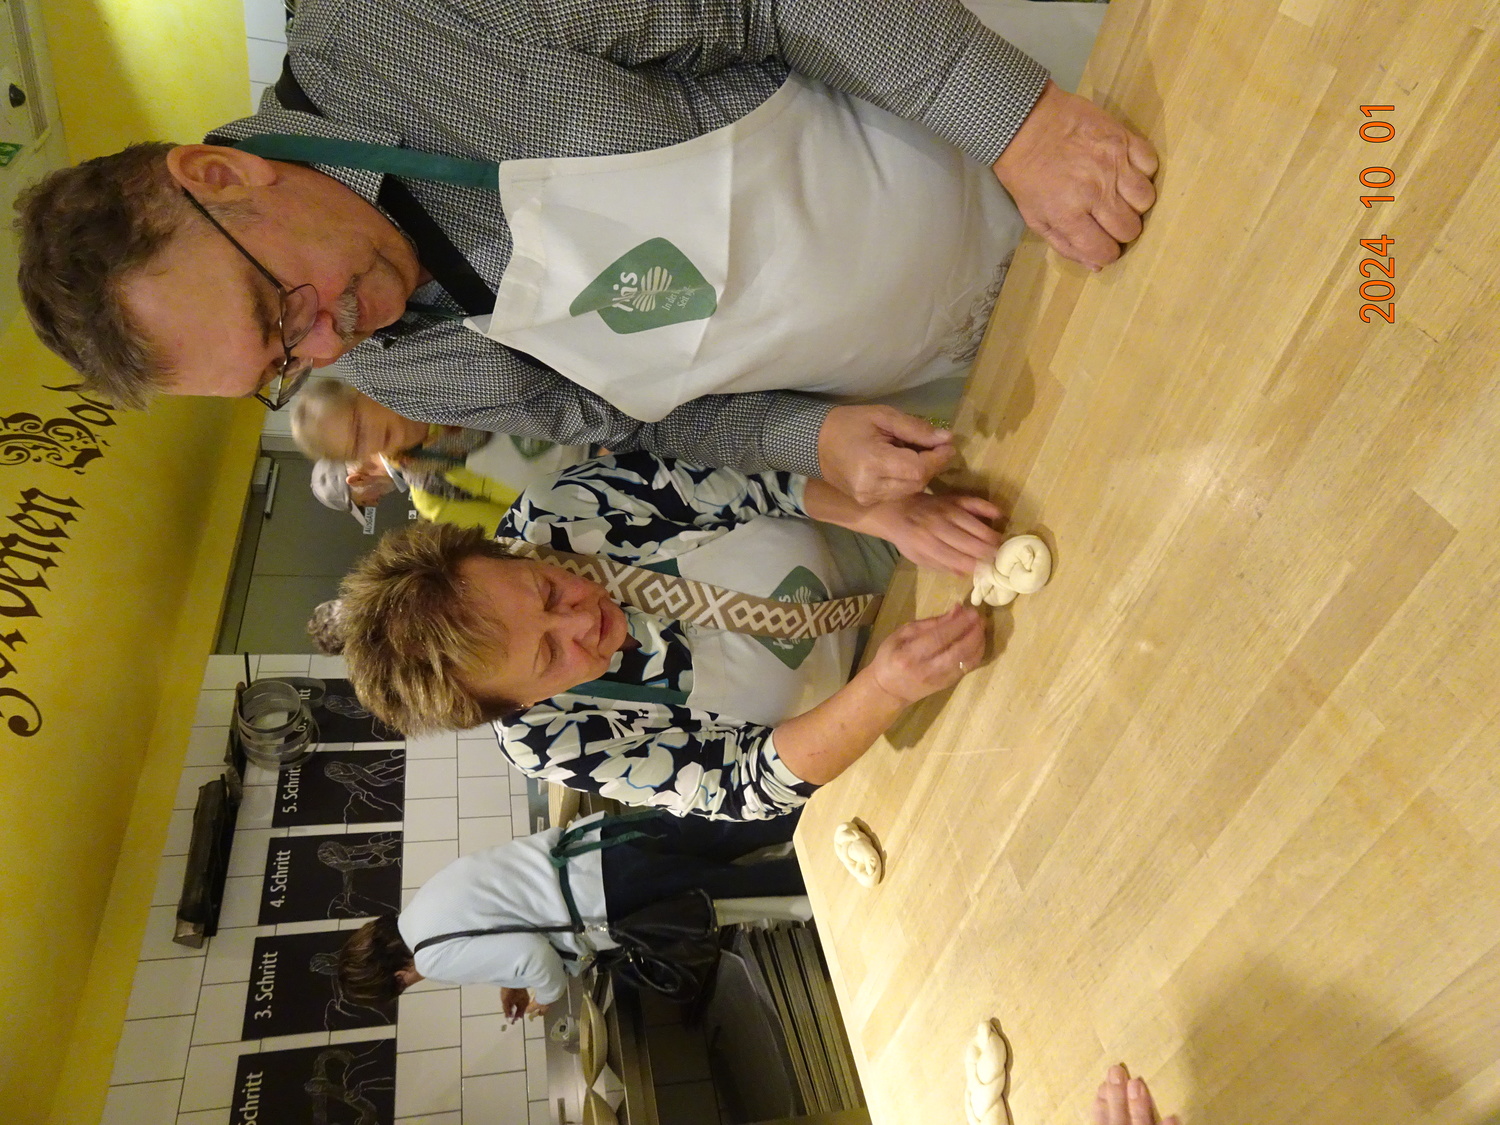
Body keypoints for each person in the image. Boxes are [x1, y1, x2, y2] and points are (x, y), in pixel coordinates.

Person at [15, 0, 1156, 506]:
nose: (325, 344)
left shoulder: (402, 26)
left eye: (278, 310)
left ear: (220, 175)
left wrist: (1022, 126)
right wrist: (807, 437)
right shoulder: (389, 361)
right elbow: (629, 418)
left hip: (1069, 135)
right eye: (281, 365)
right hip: (1002, 355)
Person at [339, 451, 998, 819]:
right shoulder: (549, 737)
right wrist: (884, 688)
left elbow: (762, 478)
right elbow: (740, 782)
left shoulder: (561, 513)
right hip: (890, 700)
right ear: (518, 702)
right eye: (549, 654)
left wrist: (891, 515)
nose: (581, 620)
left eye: (546, 591)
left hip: (899, 535)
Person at [335, 810, 808, 1015]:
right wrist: (512, 978)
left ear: (396, 977)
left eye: (402, 987)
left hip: (607, 896)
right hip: (599, 844)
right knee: (737, 828)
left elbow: (533, 957)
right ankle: (837, 794)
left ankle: (840, 867)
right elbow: (511, 910)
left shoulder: (432, 958)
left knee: (744, 890)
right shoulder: (424, 901)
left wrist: (544, 995)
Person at [294, 377, 588, 526]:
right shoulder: (429, 492)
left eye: (358, 422)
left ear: (361, 392)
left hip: (590, 407)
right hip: (588, 487)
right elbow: (515, 526)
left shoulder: (437, 380)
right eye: (357, 445)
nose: (369, 437)